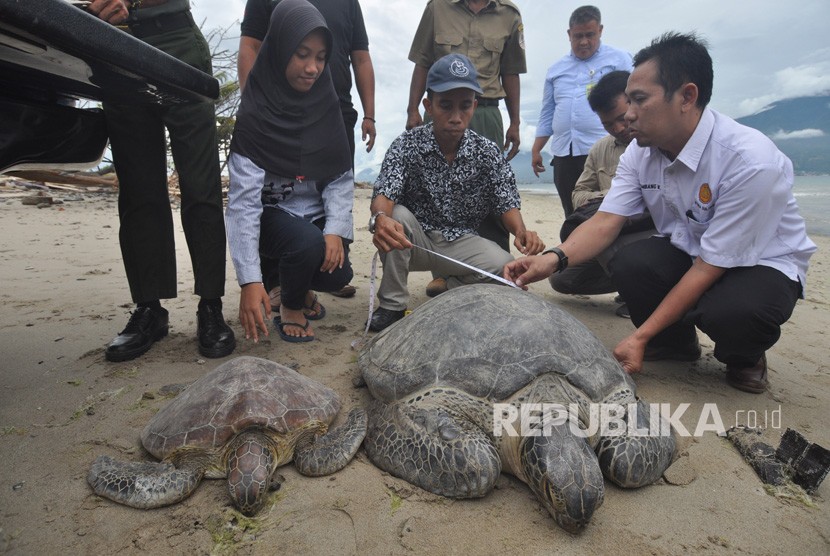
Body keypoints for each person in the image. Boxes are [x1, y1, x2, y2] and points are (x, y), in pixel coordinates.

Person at [505, 32, 817, 394]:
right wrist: (551, 260)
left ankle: (745, 357)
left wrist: (640, 335)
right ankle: (673, 343)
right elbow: (606, 221)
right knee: (632, 262)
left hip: (761, 263)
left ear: (687, 96)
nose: (629, 115)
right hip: (697, 249)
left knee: (735, 312)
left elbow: (710, 267)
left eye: (639, 100)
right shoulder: (642, 151)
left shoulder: (749, 161)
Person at [88, 0, 236, 362]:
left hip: (177, 37)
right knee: (139, 190)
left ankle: (210, 306)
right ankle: (150, 309)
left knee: (201, 186)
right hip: (116, 42)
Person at [368, 53, 544, 332]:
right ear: (428, 105)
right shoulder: (406, 144)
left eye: (464, 106)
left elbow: (505, 200)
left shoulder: (487, 152)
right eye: (446, 106)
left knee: (506, 271)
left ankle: (452, 284)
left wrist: (521, 231)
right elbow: (386, 191)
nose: (456, 116)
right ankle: (392, 306)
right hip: (414, 241)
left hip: (461, 242)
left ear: (474, 106)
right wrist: (380, 217)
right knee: (396, 216)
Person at [226, 0, 354, 343]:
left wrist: (336, 231)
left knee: (338, 272)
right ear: (279, 48)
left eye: (320, 57)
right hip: (273, 216)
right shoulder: (256, 112)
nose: (312, 67)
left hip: (311, 217)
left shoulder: (326, 106)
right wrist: (249, 281)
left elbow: (340, 177)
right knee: (305, 244)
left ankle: (297, 285)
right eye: (301, 54)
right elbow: (243, 205)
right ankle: (291, 306)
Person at [406, 0, 526, 290]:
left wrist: (515, 121)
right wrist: (412, 111)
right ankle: (444, 273)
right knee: (436, 190)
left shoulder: (509, 15)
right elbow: (423, 61)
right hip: (442, 106)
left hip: (484, 110)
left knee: (491, 191)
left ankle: (496, 272)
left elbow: (511, 72)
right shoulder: (437, 8)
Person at [550, 70, 655, 318]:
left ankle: (642, 295)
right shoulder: (601, 149)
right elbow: (578, 192)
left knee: (609, 235)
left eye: (622, 118)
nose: (619, 128)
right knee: (561, 279)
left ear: (633, 103)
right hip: (608, 233)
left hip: (647, 234)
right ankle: (630, 284)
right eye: (608, 124)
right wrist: (605, 199)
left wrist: (614, 197)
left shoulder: (654, 142)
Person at [530, 5, 632, 217]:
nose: (584, 41)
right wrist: (536, 149)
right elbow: (548, 112)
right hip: (564, 153)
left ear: (600, 31)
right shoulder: (556, 69)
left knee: (609, 209)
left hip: (606, 150)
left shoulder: (620, 59)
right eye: (578, 36)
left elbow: (637, 100)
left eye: (590, 35)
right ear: (569, 34)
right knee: (572, 211)